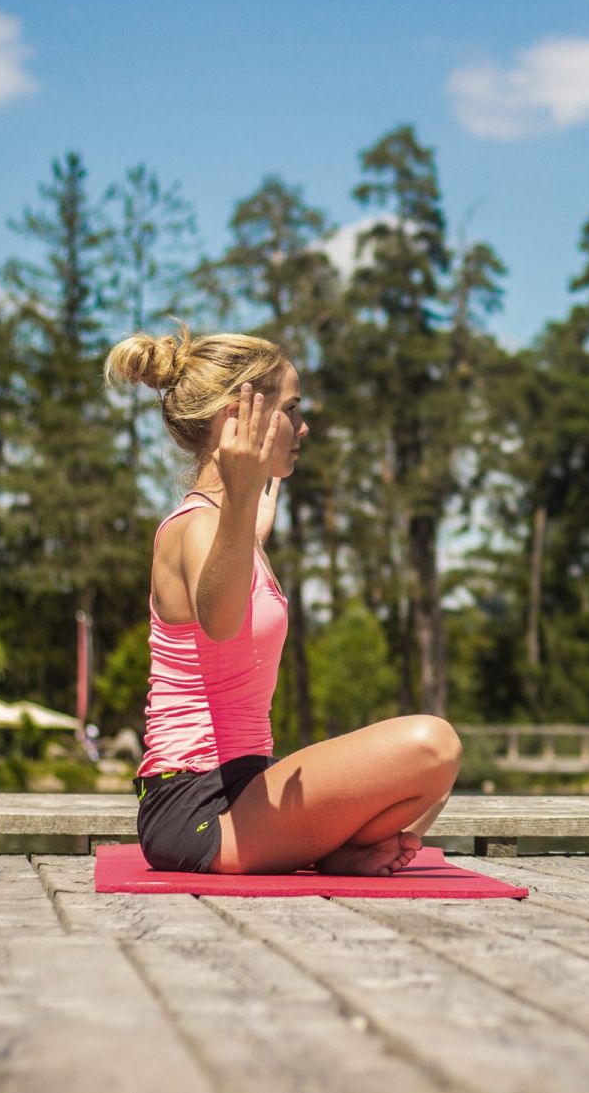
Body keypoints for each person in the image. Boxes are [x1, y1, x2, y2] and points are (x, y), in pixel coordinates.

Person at [106, 325, 461, 876]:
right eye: (291, 410)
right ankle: (333, 850)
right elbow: (221, 625)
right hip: (198, 806)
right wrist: (242, 501)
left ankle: (334, 851)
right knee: (432, 744)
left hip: (243, 788)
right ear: (237, 419)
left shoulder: (227, 531)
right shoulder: (197, 528)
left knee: (432, 772)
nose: (304, 426)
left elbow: (225, 597)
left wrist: (249, 527)